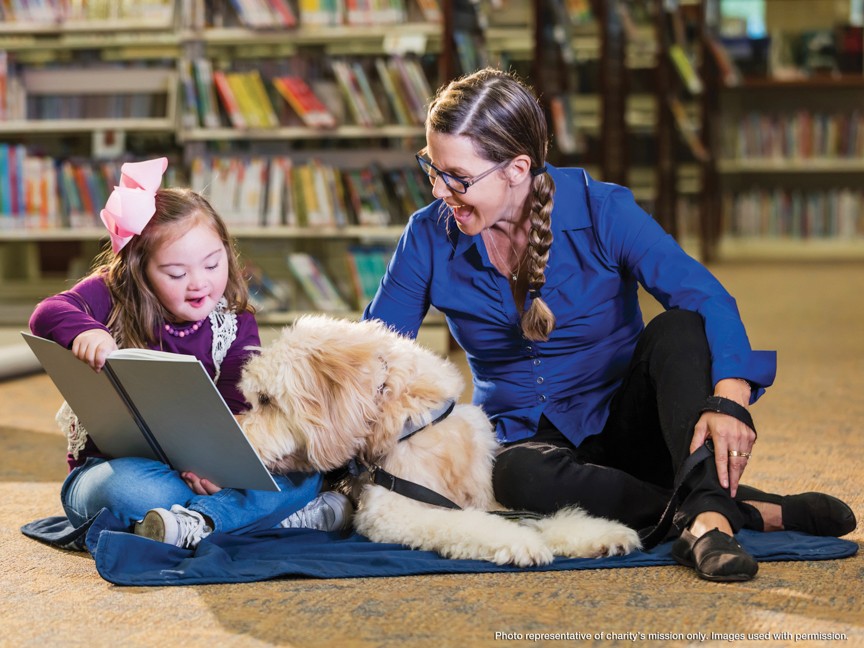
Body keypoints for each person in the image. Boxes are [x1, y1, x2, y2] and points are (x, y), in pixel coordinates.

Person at [362, 69, 855, 582]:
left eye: (458, 177)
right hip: (526, 449)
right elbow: (374, 349)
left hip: (632, 430)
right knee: (516, 477)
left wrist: (728, 400)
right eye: (432, 168)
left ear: (516, 169)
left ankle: (707, 514)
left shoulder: (603, 210)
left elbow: (706, 296)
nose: (441, 190)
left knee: (681, 327)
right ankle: (727, 516)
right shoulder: (427, 235)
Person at [30, 157, 352, 550]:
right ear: (139, 271)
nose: (199, 283)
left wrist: (217, 466)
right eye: (177, 274)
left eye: (213, 263)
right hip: (118, 469)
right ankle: (264, 518)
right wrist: (87, 332)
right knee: (131, 492)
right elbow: (46, 313)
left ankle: (198, 521)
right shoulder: (109, 294)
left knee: (310, 469)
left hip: (208, 472)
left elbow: (240, 407)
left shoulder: (234, 324)